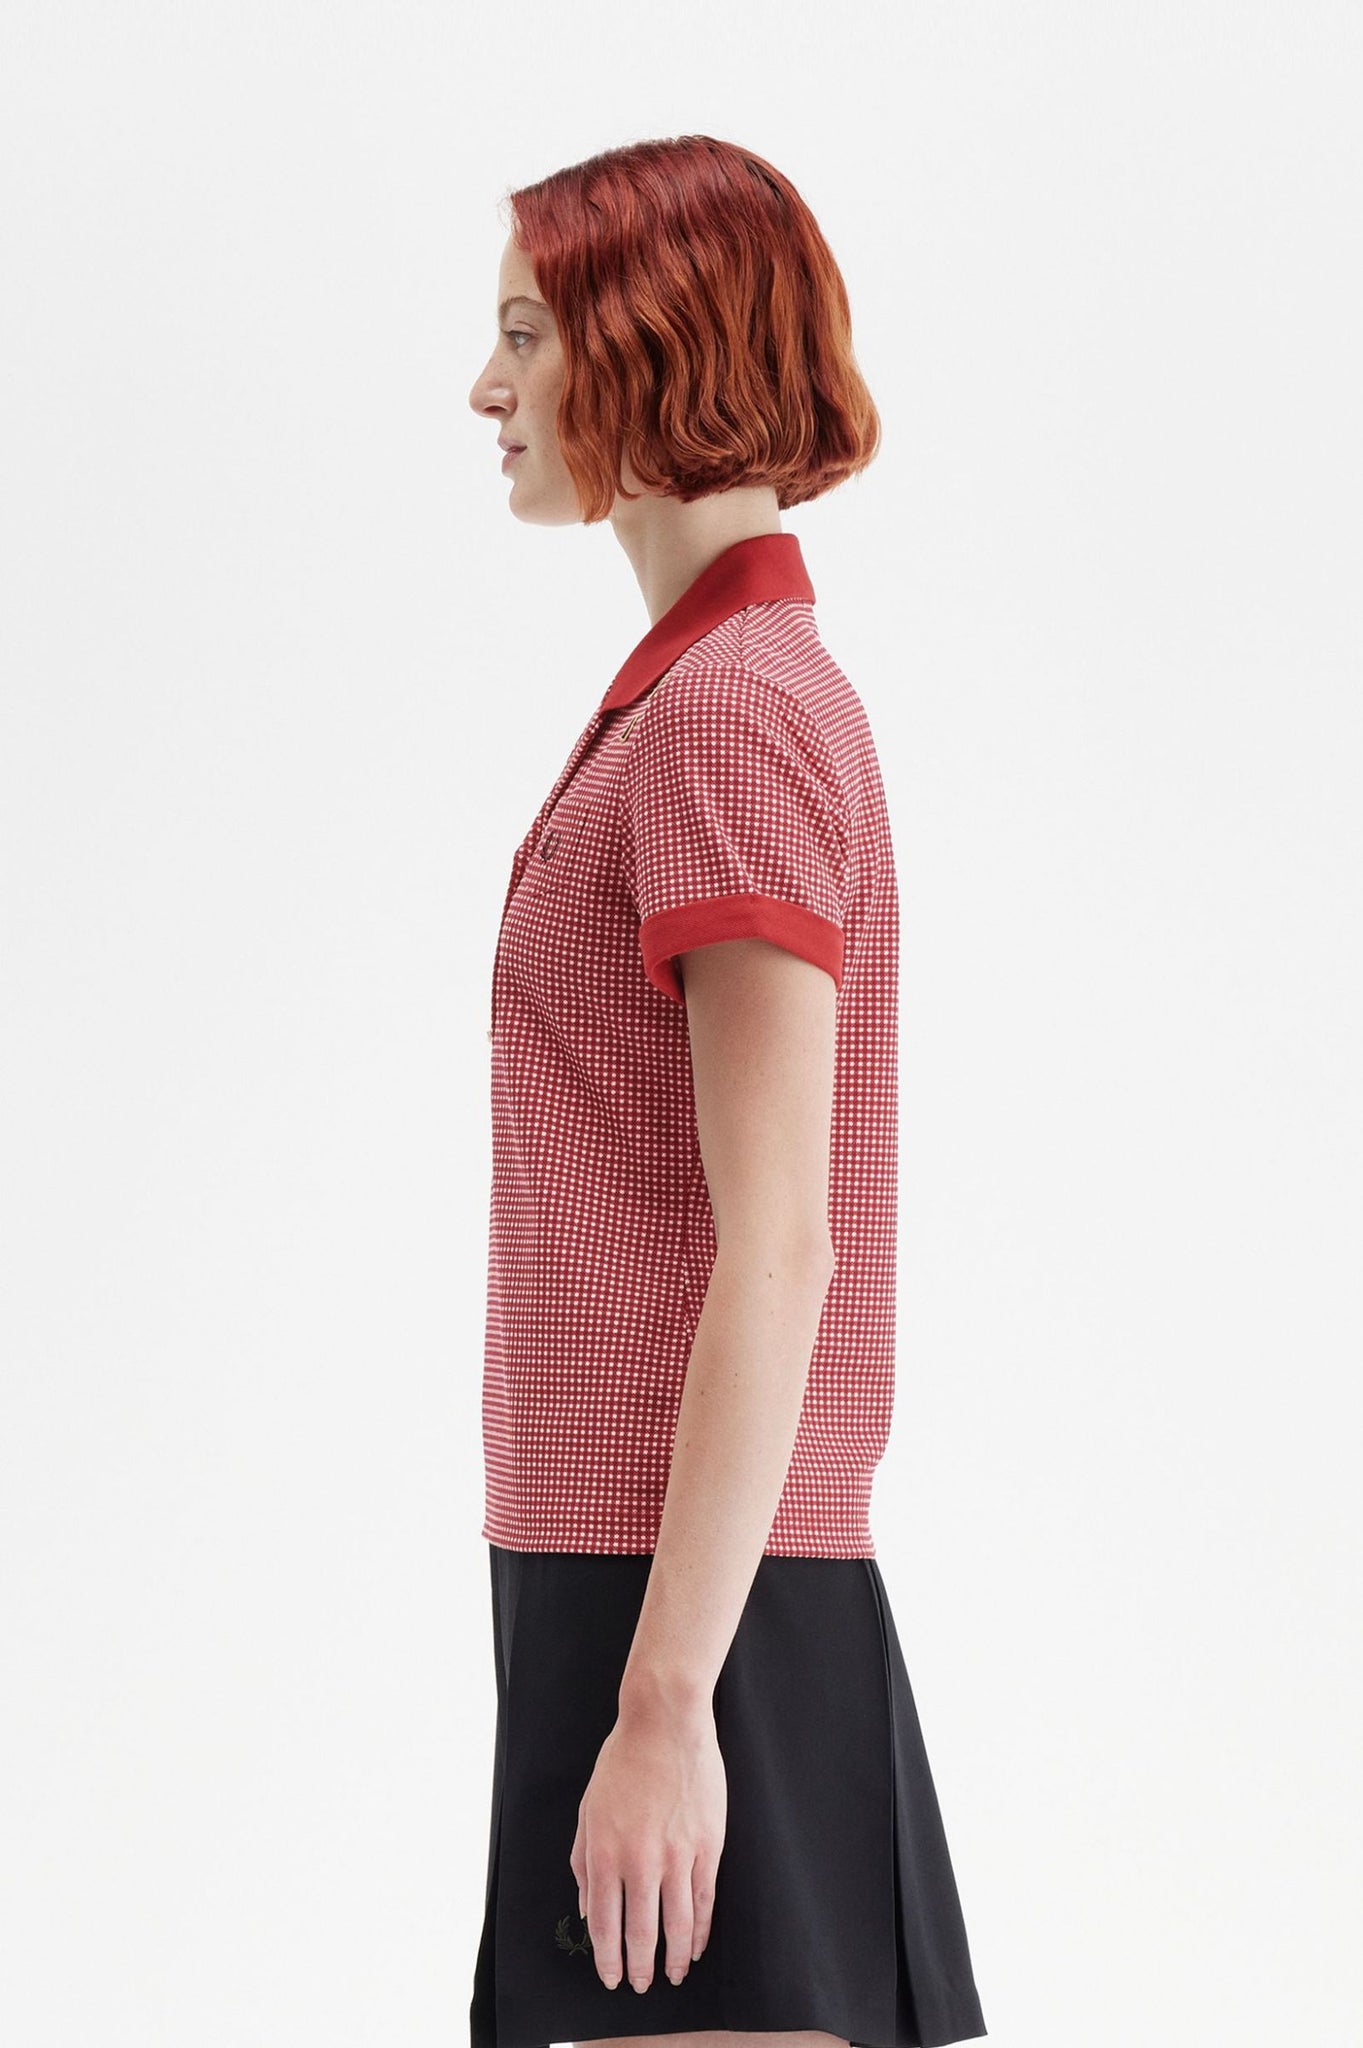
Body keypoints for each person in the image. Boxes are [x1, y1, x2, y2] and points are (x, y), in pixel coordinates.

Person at [465, 133, 988, 2048]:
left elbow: (782, 1248)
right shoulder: (699, 693)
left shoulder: (730, 715)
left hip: (692, 1601)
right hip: (649, 1574)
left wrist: (670, 1698)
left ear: (654, 343)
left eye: (528, 335)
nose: (487, 387)